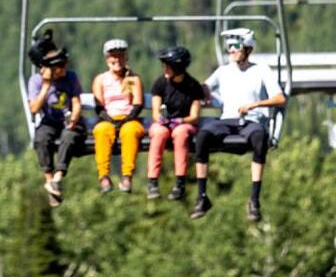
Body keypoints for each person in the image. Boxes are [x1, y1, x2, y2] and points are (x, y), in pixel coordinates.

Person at [190, 28, 286, 222]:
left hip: (251, 121)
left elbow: (280, 98)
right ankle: (202, 197)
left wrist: (255, 104)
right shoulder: (223, 71)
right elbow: (204, 87)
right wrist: (202, 92)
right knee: (203, 137)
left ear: (248, 48)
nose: (231, 50)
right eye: (229, 46)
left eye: (236, 46)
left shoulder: (261, 70)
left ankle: (254, 199)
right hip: (227, 121)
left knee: (260, 138)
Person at [27, 30, 85, 207]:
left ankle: (57, 178)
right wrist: (46, 86)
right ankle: (49, 179)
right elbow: (34, 109)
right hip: (50, 121)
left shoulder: (71, 77)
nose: (64, 69)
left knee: (69, 136)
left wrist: (73, 118)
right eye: (60, 67)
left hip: (69, 120)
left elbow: (76, 102)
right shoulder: (36, 81)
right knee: (41, 138)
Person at [146, 46, 203, 201]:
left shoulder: (193, 86)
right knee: (158, 133)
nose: (164, 68)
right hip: (164, 124)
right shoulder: (160, 83)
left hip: (184, 123)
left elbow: (194, 116)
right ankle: (152, 182)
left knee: (181, 133)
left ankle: (180, 183)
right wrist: (161, 119)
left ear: (178, 68)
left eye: (167, 65)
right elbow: (155, 111)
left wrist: (180, 121)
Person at [91, 38, 145, 193]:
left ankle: (127, 176)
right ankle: (104, 176)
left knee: (130, 132)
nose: (117, 60)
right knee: (101, 131)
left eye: (120, 56)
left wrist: (126, 119)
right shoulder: (100, 79)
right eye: (113, 56)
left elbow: (138, 104)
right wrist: (110, 120)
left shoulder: (133, 79)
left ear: (126, 57)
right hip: (108, 118)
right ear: (107, 59)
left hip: (129, 118)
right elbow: (99, 106)